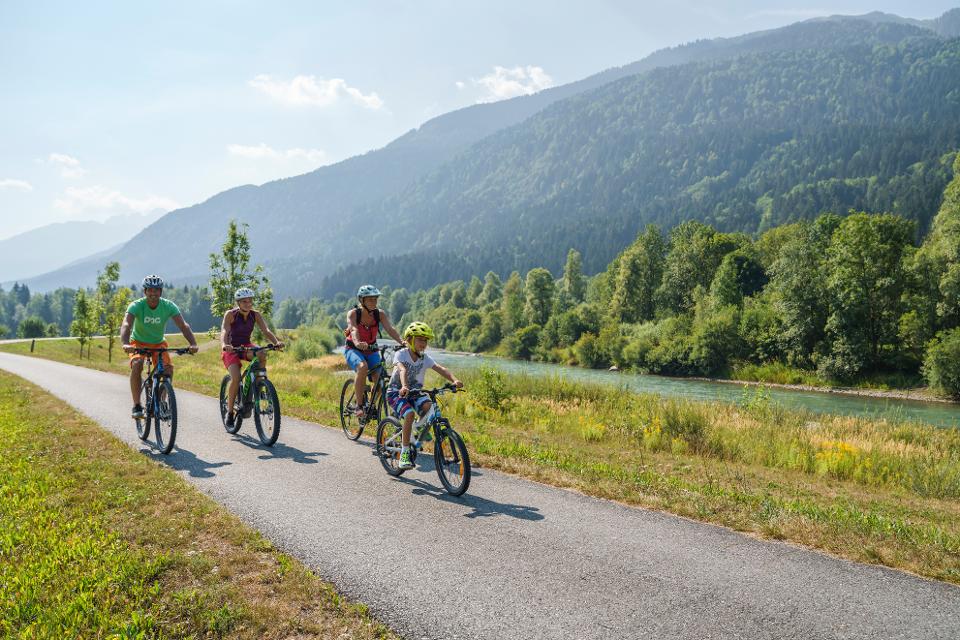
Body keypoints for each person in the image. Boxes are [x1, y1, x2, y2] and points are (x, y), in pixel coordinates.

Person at [386, 321, 462, 470]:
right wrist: (404, 385)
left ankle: (420, 430)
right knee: (408, 415)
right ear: (409, 340)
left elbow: (440, 368)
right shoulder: (401, 354)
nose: (424, 343)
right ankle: (405, 452)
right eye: (420, 339)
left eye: (426, 340)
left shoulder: (424, 358)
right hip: (397, 392)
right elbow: (402, 370)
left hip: (415, 393)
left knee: (429, 406)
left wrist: (454, 379)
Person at [121, 274, 199, 418]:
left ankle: (161, 402)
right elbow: (126, 324)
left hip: (158, 343)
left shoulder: (168, 306)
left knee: (168, 369)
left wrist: (193, 343)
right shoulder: (136, 305)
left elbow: (183, 325)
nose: (153, 293)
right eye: (150, 290)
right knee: (137, 364)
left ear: (160, 292)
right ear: (145, 292)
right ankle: (137, 405)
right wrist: (125, 343)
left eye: (156, 290)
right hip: (137, 342)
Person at [221, 287, 284, 429]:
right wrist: (225, 344)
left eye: (250, 301)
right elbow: (224, 331)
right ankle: (230, 413)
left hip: (246, 346)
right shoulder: (230, 314)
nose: (248, 304)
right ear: (238, 302)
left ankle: (261, 387)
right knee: (236, 378)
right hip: (231, 348)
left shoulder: (255, 315)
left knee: (261, 353)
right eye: (244, 301)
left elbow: (266, 330)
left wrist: (276, 342)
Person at [344, 285, 404, 418]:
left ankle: (371, 406)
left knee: (380, 378)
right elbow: (353, 329)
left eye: (375, 299)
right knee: (362, 367)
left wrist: (403, 342)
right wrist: (358, 343)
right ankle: (359, 406)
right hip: (353, 349)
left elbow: (390, 329)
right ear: (362, 300)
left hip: (371, 350)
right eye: (370, 300)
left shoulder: (379, 314)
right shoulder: (354, 313)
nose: (374, 302)